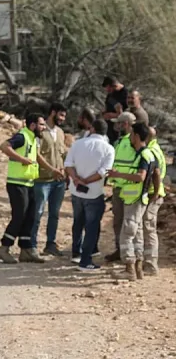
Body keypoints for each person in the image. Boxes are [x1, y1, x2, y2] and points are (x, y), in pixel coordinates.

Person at [106, 122, 158, 281]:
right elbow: (156, 174)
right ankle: (138, 269)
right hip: (136, 198)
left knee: (127, 234)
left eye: (132, 134)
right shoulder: (149, 153)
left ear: (136, 136)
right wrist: (154, 193)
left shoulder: (143, 155)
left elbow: (141, 176)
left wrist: (117, 175)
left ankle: (129, 268)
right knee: (137, 234)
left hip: (134, 198)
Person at [0, 113, 48, 264]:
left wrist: (52, 170)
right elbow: (4, 146)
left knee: (30, 216)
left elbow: (36, 157)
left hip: (28, 183)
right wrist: (22, 159)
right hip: (17, 183)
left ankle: (26, 250)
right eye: (41, 124)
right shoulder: (22, 136)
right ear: (33, 125)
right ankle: (4, 248)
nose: (44, 128)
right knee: (19, 216)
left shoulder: (33, 138)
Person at [65, 115, 114, 271]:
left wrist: (76, 179)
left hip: (76, 191)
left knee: (77, 223)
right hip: (93, 192)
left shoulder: (78, 144)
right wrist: (86, 181)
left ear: (92, 129)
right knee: (92, 227)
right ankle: (86, 260)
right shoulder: (108, 148)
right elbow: (103, 172)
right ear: (105, 132)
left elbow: (68, 165)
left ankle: (75, 253)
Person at [31, 102, 68, 257]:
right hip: (42, 180)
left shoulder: (60, 132)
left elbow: (63, 154)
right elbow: (37, 155)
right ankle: (31, 245)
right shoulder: (40, 131)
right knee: (37, 213)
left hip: (58, 182)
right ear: (53, 113)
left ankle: (50, 244)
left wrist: (66, 170)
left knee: (54, 214)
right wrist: (52, 170)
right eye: (61, 115)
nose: (63, 119)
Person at [104, 111, 137, 262]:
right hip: (119, 188)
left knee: (131, 224)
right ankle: (121, 251)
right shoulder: (120, 142)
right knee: (118, 221)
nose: (116, 126)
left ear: (125, 124)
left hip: (131, 188)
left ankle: (132, 256)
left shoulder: (135, 141)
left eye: (118, 123)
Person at [142, 126, 166, 276]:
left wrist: (155, 194)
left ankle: (151, 264)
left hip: (153, 195)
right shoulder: (155, 147)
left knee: (149, 228)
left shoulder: (151, 151)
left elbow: (156, 174)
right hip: (154, 193)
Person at [101, 76, 129, 144]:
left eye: (109, 89)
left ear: (114, 86)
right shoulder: (111, 94)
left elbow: (127, 113)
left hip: (119, 128)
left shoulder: (126, 94)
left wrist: (113, 115)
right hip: (108, 127)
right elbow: (107, 104)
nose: (108, 91)